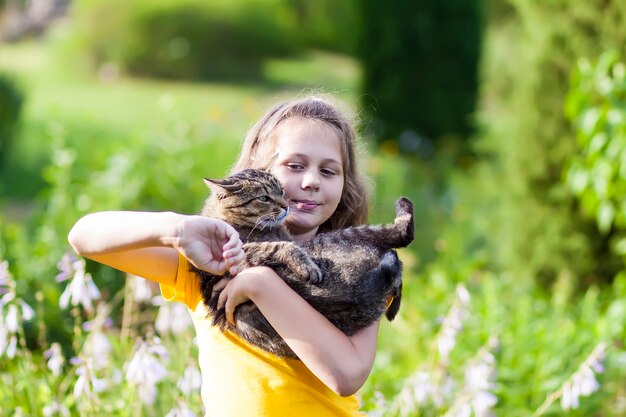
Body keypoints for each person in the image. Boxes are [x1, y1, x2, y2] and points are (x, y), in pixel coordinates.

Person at [68, 95, 375, 417]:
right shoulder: (210, 259)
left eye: (329, 171)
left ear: (346, 184)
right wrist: (175, 228)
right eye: (295, 166)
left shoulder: (357, 264)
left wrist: (261, 284)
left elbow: (346, 376)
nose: (311, 181)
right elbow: (84, 236)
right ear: (260, 170)